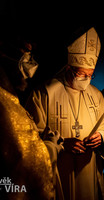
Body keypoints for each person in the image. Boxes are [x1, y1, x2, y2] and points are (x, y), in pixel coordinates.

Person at [26, 27, 104, 200]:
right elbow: (30, 135)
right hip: (59, 168)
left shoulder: (95, 95)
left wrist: (101, 136)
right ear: (68, 68)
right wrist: (62, 144)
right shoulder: (44, 93)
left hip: (87, 167)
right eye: (81, 74)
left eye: (90, 75)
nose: (85, 80)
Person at [0, 35, 63, 199]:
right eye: (27, 52)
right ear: (5, 53)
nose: (32, 64)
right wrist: (51, 147)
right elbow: (25, 167)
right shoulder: (6, 108)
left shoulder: (10, 100)